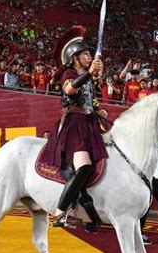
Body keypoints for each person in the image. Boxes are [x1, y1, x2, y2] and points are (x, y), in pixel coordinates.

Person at [41, 26, 108, 226]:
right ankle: (60, 211)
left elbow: (90, 99)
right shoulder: (68, 73)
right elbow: (70, 90)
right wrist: (89, 73)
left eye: (89, 53)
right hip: (74, 124)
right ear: (75, 57)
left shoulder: (88, 78)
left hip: (89, 123)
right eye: (85, 54)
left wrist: (99, 109)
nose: (89, 56)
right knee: (85, 167)